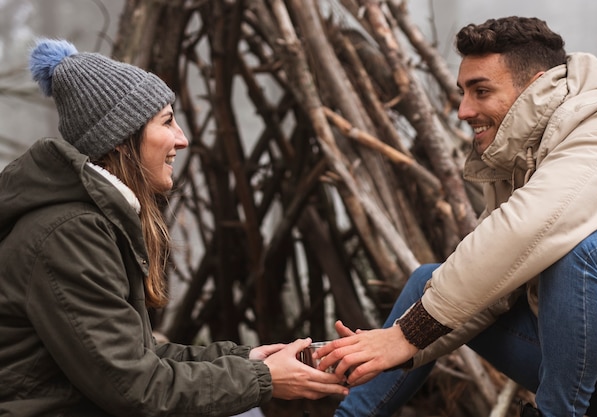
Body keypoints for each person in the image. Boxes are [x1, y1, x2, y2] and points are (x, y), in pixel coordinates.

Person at [0, 38, 348, 417]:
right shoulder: (69, 234)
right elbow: (134, 387)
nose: (182, 139)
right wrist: (260, 377)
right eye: (167, 121)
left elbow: (134, 356)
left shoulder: (88, 221)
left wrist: (248, 358)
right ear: (120, 141)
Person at [313, 16, 597, 417]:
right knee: (429, 280)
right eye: (463, 92)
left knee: (585, 250)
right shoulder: (516, 157)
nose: (463, 110)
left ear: (537, 86)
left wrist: (408, 335)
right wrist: (389, 343)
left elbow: (530, 227)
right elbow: (492, 287)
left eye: (481, 91)